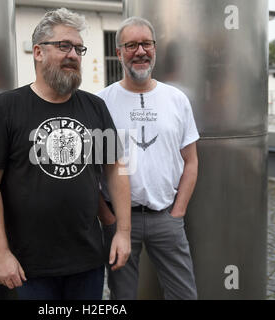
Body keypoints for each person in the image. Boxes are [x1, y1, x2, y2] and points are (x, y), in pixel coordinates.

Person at [0, 8, 131, 300]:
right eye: (63, 46)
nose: (73, 54)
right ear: (37, 52)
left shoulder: (95, 107)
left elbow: (115, 168)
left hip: (87, 262)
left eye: (78, 48)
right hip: (28, 267)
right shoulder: (6, 108)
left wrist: (123, 231)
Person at [97, 17, 199, 300]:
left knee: (184, 295)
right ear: (118, 52)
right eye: (131, 45)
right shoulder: (101, 102)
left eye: (146, 44)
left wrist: (177, 213)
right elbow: (92, 169)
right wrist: (107, 218)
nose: (140, 51)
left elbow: (190, 161)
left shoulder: (176, 100)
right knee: (122, 296)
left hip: (166, 218)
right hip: (118, 220)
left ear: (155, 48)